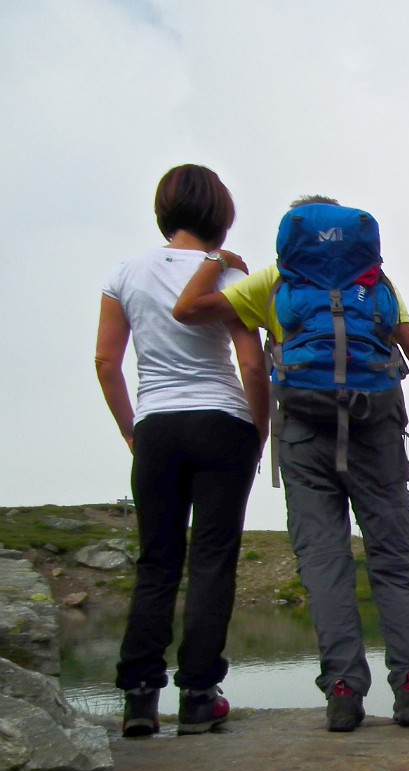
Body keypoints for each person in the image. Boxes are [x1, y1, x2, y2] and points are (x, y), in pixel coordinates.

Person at [173, 195, 409, 733]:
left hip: (306, 440)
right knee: (393, 565)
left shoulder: (274, 281)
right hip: (377, 436)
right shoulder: (373, 282)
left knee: (325, 566)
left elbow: (186, 311)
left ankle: (342, 692)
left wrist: (217, 262)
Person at [95, 164, 269, 737]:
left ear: (164, 210)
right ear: (221, 215)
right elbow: (249, 362)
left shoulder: (125, 272)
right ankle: (199, 696)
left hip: (157, 426)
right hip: (223, 421)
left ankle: (140, 699)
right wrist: (258, 427)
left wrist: (131, 428)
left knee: (157, 560)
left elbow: (106, 362)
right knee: (213, 558)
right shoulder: (227, 275)